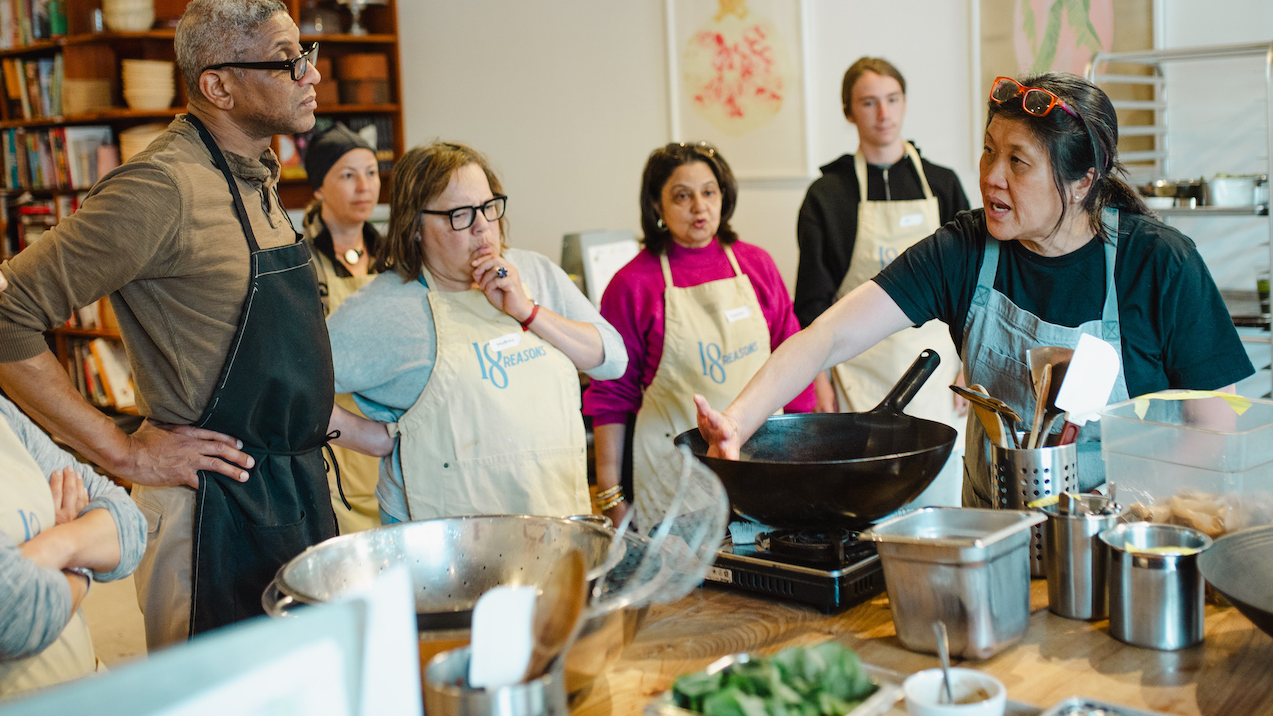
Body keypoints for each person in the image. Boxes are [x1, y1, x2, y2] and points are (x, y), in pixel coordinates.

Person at [0, 0, 392, 649]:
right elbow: (4, 313)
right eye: (286, 60)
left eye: (305, 54)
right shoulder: (159, 189)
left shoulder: (262, 174)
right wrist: (119, 449)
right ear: (217, 84)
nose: (310, 74)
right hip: (211, 511)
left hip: (292, 490)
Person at [698, 73, 1254, 508]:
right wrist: (739, 420)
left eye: (1019, 162)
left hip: (1125, 538)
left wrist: (1135, 516)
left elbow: (1214, 426)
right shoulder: (965, 249)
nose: (991, 175)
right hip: (998, 533)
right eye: (990, 150)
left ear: (1084, 182)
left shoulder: (1159, 263)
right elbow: (828, 336)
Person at [328, 140, 627, 523]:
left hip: (555, 523)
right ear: (415, 226)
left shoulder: (534, 274)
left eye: (488, 207)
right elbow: (287, 389)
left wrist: (528, 311)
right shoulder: (387, 309)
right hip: (445, 548)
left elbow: (612, 360)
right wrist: (372, 438)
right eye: (460, 214)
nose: (483, 226)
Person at [0, 172, 145, 713]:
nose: (0, 279)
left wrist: (55, 546)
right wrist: (83, 556)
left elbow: (126, 520)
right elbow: (8, 615)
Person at [583, 142, 821, 529]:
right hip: (673, 477)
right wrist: (612, 498)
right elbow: (611, 398)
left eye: (709, 192)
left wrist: (802, 465)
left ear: (723, 196)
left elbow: (795, 364)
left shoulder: (756, 264)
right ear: (656, 206)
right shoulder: (632, 284)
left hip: (764, 466)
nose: (699, 206)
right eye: (682, 196)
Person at [794, 57, 971, 502]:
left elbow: (974, 284)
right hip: (858, 370)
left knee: (939, 495)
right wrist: (820, 376)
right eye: (868, 103)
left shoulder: (942, 183)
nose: (883, 114)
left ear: (905, 103)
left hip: (939, 372)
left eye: (892, 100)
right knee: (869, 497)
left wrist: (972, 360)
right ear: (849, 112)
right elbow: (813, 299)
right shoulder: (828, 195)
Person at [303, 122, 384, 532]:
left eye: (370, 173)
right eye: (347, 175)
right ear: (318, 187)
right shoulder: (298, 260)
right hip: (333, 427)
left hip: (388, 419)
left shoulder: (392, 256)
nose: (364, 187)